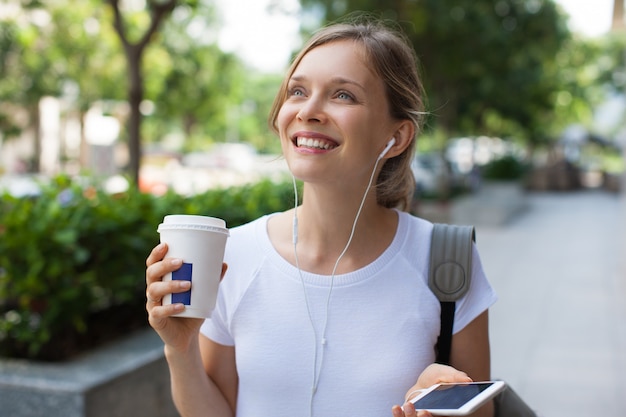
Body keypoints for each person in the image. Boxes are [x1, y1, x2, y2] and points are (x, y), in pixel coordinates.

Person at [146, 15, 497, 417]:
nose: (308, 111)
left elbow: (480, 411)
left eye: (343, 95)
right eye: (297, 90)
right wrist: (180, 348)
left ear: (396, 137)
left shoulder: (448, 259)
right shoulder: (232, 255)